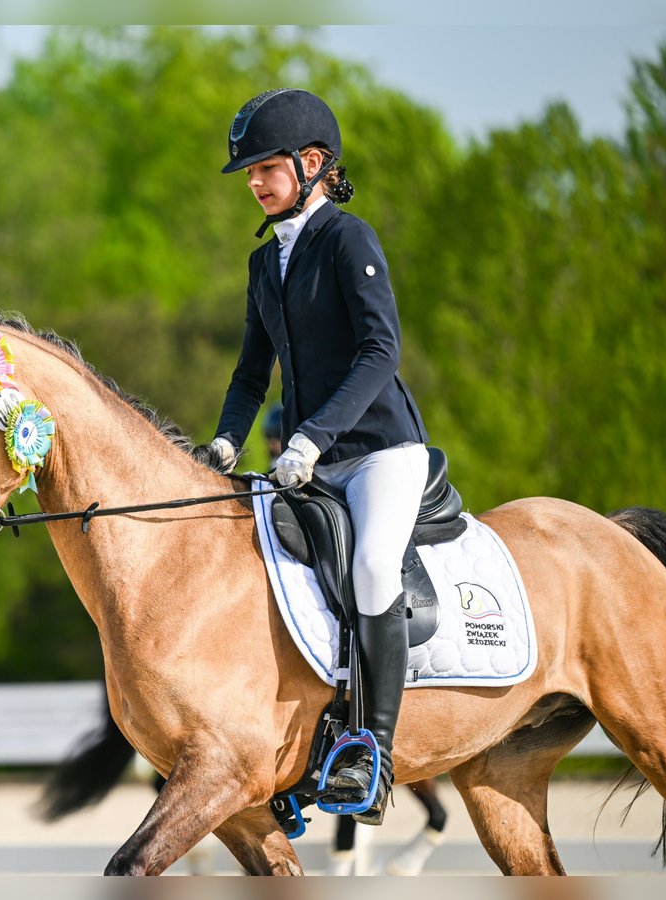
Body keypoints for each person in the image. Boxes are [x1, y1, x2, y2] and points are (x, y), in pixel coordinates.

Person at [205, 89, 430, 826]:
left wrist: (312, 438)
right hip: (308, 459)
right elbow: (249, 374)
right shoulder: (263, 262)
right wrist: (224, 443)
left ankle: (376, 754)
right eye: (248, 173)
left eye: (265, 168)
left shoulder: (347, 238)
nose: (255, 183)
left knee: (369, 568)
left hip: (377, 453)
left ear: (312, 164)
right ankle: (300, 750)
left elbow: (380, 351)